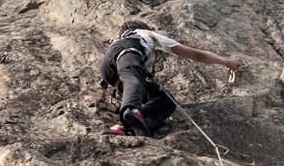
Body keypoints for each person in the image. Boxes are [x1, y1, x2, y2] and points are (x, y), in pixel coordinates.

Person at [99, 20, 240, 136]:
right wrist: (226, 62)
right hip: (127, 56)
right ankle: (131, 111)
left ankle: (124, 128)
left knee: (166, 100)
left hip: (108, 70)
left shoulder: (121, 40)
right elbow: (198, 55)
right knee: (134, 80)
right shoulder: (147, 34)